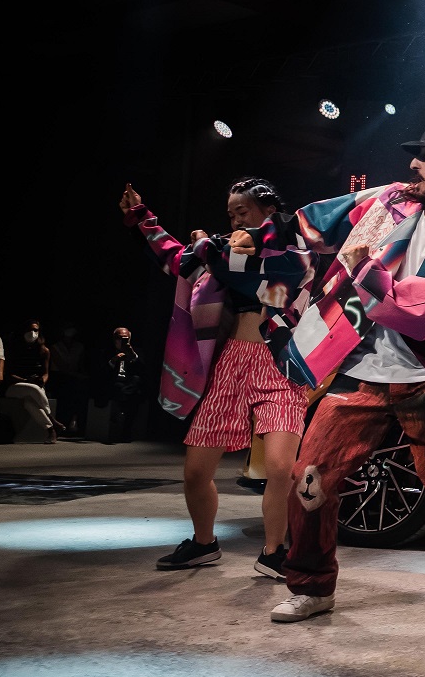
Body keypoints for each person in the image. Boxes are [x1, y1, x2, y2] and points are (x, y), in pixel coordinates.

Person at [267, 118, 425, 638]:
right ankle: (312, 586)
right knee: (309, 478)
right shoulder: (389, 202)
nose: (413, 163)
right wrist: (256, 238)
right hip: (360, 372)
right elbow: (314, 222)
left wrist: (367, 273)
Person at [122, 178, 314, 575]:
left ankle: (274, 552)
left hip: (281, 366)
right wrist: (142, 217)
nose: (235, 220)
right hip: (231, 363)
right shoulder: (223, 251)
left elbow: (267, 282)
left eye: (242, 212)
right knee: (195, 471)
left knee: (280, 468)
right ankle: (204, 543)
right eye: (230, 215)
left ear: (269, 211)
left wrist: (212, 249)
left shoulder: (297, 253)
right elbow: (177, 259)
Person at [2, 321, 63, 442]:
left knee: (29, 403)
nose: (32, 333)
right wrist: (26, 380)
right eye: (29, 330)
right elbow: (8, 374)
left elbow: (46, 373)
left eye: (35, 330)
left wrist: (42, 381)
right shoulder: (13, 349)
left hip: (35, 386)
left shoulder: (44, 350)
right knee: (33, 389)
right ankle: (52, 419)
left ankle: (51, 430)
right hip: (14, 386)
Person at [103, 327, 143, 444]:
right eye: (119, 338)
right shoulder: (107, 352)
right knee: (119, 388)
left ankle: (125, 427)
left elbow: (143, 370)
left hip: (130, 385)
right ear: (114, 339)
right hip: (114, 382)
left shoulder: (136, 352)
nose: (122, 341)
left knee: (135, 388)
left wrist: (132, 355)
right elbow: (101, 372)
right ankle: (120, 415)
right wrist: (113, 360)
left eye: (126, 339)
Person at [50, 325, 88, 437]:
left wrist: (82, 375)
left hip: (74, 377)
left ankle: (75, 422)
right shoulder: (55, 347)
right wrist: (77, 375)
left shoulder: (79, 347)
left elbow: (81, 365)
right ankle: (62, 424)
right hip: (59, 376)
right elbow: (61, 367)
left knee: (79, 389)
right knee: (66, 390)